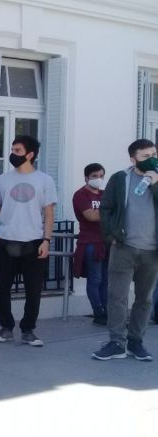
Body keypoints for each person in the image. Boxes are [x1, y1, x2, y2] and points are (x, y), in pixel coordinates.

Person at [0, 135, 57, 347]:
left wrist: (47, 240)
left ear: (30, 154)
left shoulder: (44, 180)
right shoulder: (3, 179)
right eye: (13, 149)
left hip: (33, 242)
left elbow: (49, 212)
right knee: (2, 288)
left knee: (33, 290)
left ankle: (28, 329)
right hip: (5, 240)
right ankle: (6, 327)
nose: (13, 154)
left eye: (17, 150)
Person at [92, 139, 158, 361]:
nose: (152, 159)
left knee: (144, 299)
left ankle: (136, 342)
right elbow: (106, 208)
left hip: (152, 251)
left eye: (154, 154)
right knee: (117, 296)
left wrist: (155, 183)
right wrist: (111, 236)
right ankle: (116, 342)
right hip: (124, 247)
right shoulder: (121, 178)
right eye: (145, 156)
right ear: (133, 159)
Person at [72, 163, 109, 326]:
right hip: (90, 241)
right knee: (95, 278)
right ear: (87, 177)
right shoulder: (81, 195)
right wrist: (110, 212)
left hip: (108, 241)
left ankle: (107, 312)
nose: (98, 179)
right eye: (95, 176)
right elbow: (91, 216)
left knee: (106, 279)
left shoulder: (105, 193)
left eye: (101, 176)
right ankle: (98, 312)